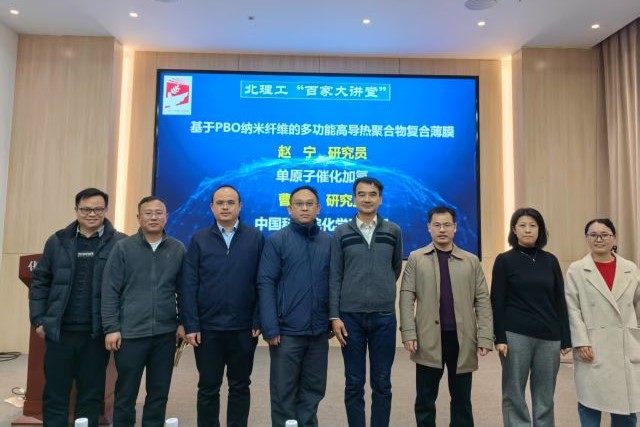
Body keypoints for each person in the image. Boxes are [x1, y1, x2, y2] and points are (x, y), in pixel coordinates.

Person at [29, 187, 126, 427]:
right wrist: (39, 319)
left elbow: (127, 287)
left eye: (98, 209)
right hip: (59, 332)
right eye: (86, 209)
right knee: (55, 391)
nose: (92, 214)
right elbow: (40, 281)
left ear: (106, 210)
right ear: (76, 210)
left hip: (96, 334)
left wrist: (116, 325)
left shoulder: (120, 243)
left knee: (91, 394)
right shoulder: (58, 241)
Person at [399, 205, 493, 427]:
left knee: (462, 400)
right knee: (425, 398)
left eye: (447, 225)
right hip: (428, 338)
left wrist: (485, 336)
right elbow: (406, 297)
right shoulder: (416, 258)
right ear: (429, 228)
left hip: (462, 339)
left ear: (455, 228)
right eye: (437, 225)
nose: (442, 229)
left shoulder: (471, 260)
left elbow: (482, 300)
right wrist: (408, 332)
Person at [181, 185, 264, 427]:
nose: (225, 207)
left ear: (240, 206)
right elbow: (189, 285)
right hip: (208, 329)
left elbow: (263, 282)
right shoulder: (199, 239)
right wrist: (191, 324)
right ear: (212, 207)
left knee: (240, 386)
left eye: (230, 202)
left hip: (243, 327)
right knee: (208, 387)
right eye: (220, 203)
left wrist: (258, 318)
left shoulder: (255, 237)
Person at [102, 196, 185, 427]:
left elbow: (185, 291)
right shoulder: (123, 248)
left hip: (165, 335)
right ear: (139, 217)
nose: (153, 217)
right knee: (126, 394)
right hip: (130, 334)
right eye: (148, 213)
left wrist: (183, 322)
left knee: (159, 393)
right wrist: (111, 328)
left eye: (159, 213)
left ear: (166, 217)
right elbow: (109, 291)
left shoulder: (177, 249)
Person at [329, 177, 403, 427]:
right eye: (361, 194)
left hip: (384, 317)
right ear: (354, 199)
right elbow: (335, 276)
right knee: (353, 382)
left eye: (372, 194)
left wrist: (380, 289)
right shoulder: (340, 232)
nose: (367, 199)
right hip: (350, 318)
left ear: (380, 199)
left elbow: (394, 268)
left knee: (382, 382)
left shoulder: (393, 231)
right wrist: (335, 316)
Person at [258, 185, 331, 427]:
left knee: (313, 392)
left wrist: (331, 320)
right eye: (299, 204)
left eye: (310, 204)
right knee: (283, 394)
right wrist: (270, 327)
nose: (304, 208)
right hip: (286, 332)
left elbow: (335, 284)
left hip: (318, 333)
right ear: (289, 209)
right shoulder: (277, 241)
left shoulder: (328, 242)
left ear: (318, 208)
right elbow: (265, 283)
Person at [490, 207, 571, 427]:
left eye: (533, 225)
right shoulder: (504, 260)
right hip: (515, 335)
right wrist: (499, 337)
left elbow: (559, 300)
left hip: (549, 336)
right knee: (514, 393)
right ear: (514, 230)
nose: (528, 230)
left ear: (540, 230)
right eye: (522, 225)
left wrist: (565, 338)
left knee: (545, 395)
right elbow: (497, 300)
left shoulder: (550, 261)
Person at [565, 218, 640, 427]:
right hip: (592, 344)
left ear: (614, 238)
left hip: (625, 344)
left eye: (605, 235)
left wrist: (636, 333)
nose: (599, 239)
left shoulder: (630, 268)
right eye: (594, 235)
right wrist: (580, 341)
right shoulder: (577, 269)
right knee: (590, 401)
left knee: (626, 405)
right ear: (587, 238)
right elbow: (572, 308)